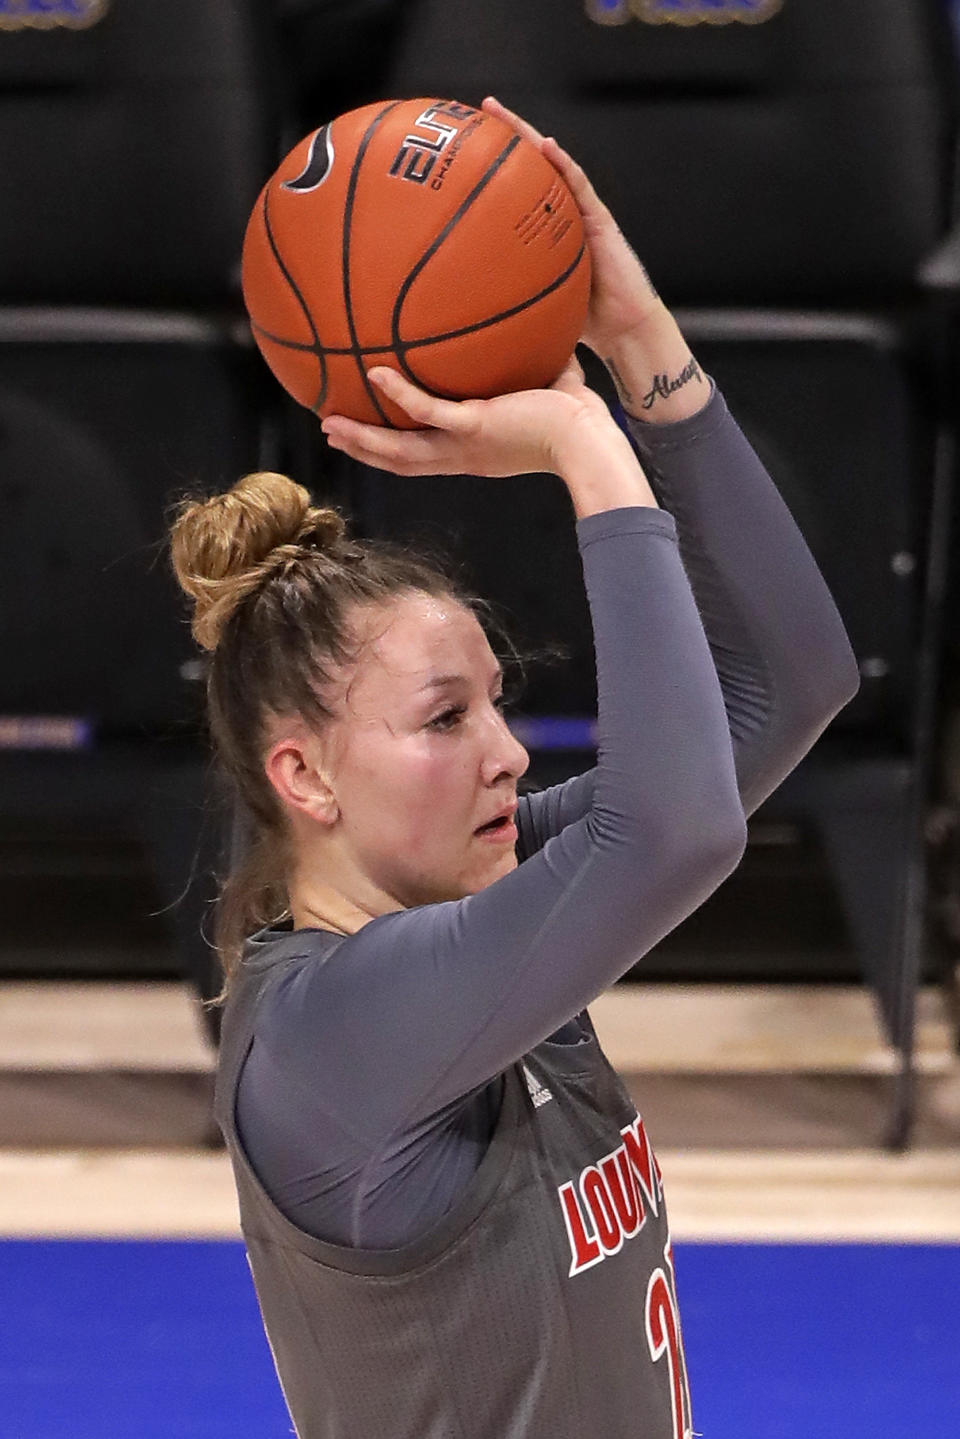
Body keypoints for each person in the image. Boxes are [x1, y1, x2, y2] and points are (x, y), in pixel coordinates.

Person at [170, 98, 860, 1439]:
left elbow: (794, 682)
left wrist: (635, 335)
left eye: (497, 702)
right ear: (306, 779)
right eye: (442, 720)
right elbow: (671, 834)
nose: (506, 751)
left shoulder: (482, 915)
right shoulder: (335, 1032)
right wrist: (588, 452)